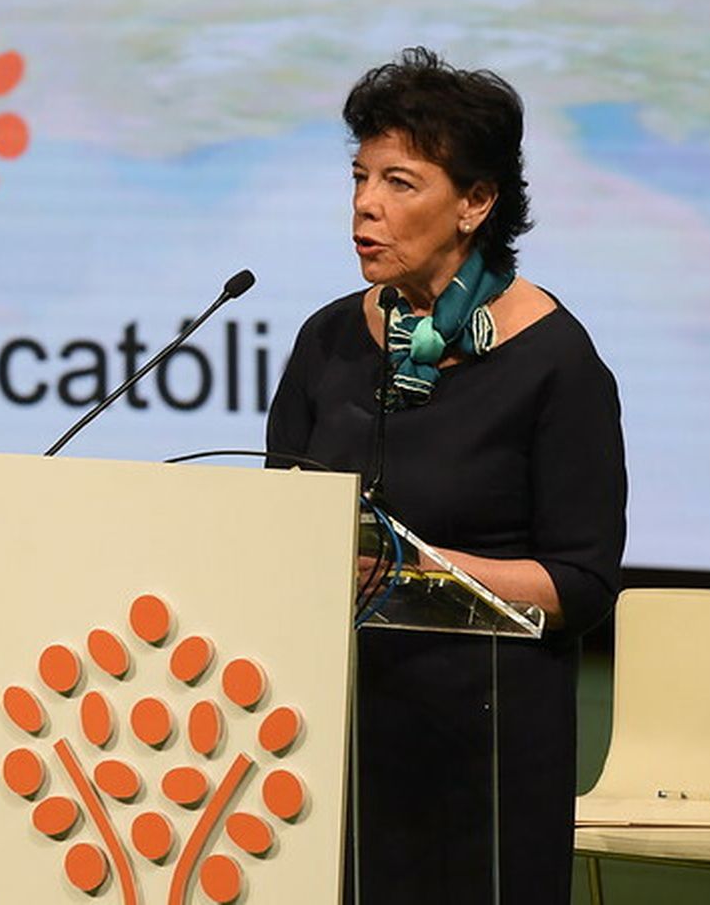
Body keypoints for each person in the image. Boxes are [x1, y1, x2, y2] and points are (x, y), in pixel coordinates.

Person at [266, 47, 626, 904]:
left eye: (399, 181)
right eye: (359, 177)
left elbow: (580, 582)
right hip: (326, 737)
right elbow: (275, 521)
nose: (364, 204)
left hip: (484, 745)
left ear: (476, 202)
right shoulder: (327, 340)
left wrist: (414, 573)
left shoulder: (557, 363)